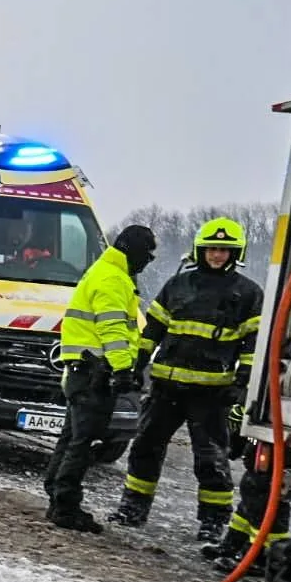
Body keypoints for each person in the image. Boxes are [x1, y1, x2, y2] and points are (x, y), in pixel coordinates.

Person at [108, 218, 263, 540]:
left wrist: (241, 383)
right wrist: (136, 365)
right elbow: (152, 330)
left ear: (235, 253)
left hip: (211, 394)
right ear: (199, 250)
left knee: (211, 460)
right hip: (166, 388)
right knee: (145, 448)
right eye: (211, 249)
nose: (217, 255)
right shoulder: (178, 285)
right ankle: (133, 507)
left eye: (224, 250)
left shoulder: (247, 293)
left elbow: (252, 343)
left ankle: (213, 521)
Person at [43, 223, 158, 533]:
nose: (147, 263)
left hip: (84, 370)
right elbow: (112, 328)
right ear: (132, 251)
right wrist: (123, 369)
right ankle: (64, 506)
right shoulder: (112, 279)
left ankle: (57, 491)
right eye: (146, 256)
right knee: (84, 441)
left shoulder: (105, 271)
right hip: (97, 372)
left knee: (72, 437)